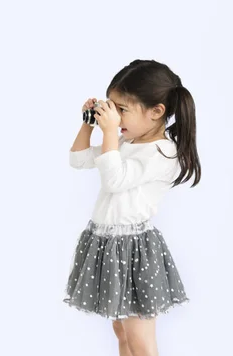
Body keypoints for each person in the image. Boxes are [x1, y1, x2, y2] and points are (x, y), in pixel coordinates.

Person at [64, 59, 201, 356]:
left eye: (121, 109)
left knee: (139, 337)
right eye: (109, 108)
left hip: (133, 251)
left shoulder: (162, 152)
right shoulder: (127, 141)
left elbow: (115, 180)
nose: (112, 116)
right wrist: (89, 125)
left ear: (156, 112)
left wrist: (111, 133)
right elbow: (78, 160)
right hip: (108, 244)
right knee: (121, 330)